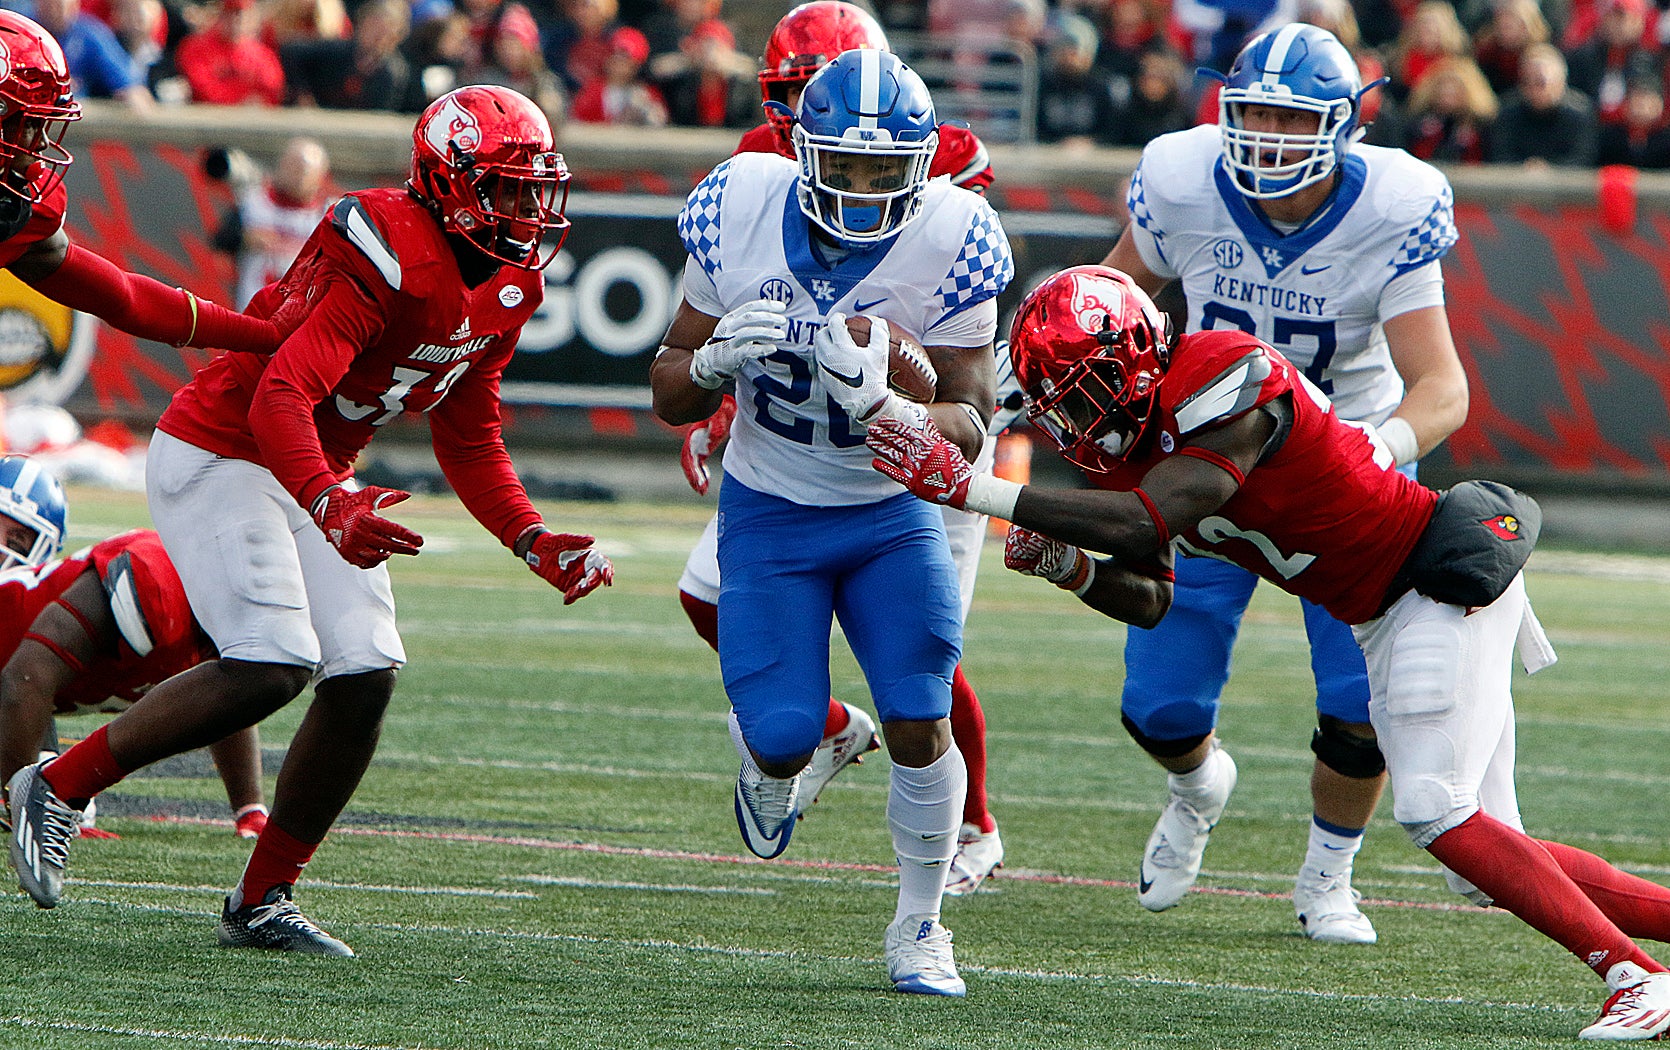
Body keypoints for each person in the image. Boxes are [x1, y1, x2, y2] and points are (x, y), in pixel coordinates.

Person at [867, 264, 1670, 1041]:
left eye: (1090, 393)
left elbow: (1150, 519)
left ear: (1138, 352)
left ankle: (1637, 977)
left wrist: (972, 488)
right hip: (1384, 615)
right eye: (1065, 410)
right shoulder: (1130, 446)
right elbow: (1150, 598)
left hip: (1430, 584)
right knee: (1480, 854)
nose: (1085, 422)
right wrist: (1068, 567)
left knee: (1436, 810)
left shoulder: (1226, 370)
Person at [8, 85, 615, 957]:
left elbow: (470, 432)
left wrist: (528, 535)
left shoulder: (511, 281)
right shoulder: (388, 248)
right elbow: (283, 397)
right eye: (504, 188)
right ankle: (58, 787)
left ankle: (263, 897)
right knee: (272, 657)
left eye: (532, 189)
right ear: (447, 183)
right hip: (223, 447)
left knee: (366, 669)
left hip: (313, 469)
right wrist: (330, 503)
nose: (524, 209)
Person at [1095, 23, 1471, 944]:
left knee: (1359, 704)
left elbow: (1442, 387)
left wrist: (1377, 452)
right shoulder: (1181, 180)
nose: (1265, 133)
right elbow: (1109, 299)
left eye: (1289, 117)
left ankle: (1328, 876)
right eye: (1253, 109)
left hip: (1342, 462)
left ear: (1342, 127)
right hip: (1209, 460)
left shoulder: (1392, 204)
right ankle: (1195, 788)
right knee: (1160, 705)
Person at [649, 50, 1010, 995]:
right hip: (771, 512)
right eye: (840, 169)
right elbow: (668, 386)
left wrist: (889, 406)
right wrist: (715, 361)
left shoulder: (954, 234)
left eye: (883, 173)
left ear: (921, 166)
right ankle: (774, 767)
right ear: (801, 153)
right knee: (775, 733)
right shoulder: (740, 206)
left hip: (890, 514)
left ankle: (920, 927)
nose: (858, 192)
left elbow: (970, 423)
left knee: (921, 712)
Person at [0, 455, 268, 840]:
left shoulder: (214, 620)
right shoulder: (152, 582)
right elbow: (25, 679)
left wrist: (250, 809)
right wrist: (19, 803)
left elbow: (230, 693)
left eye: (16, 540)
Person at [0, 12, 289, 366]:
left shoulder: (20, 205)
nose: (41, 145)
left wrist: (264, 335)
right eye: (29, 125)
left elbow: (126, 298)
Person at [215, 136, 331, 309]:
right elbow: (220, 240)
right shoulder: (253, 202)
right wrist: (245, 239)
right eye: (290, 165)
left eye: (302, 169)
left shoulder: (327, 216)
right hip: (251, 308)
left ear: (319, 176)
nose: (294, 175)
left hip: (301, 316)